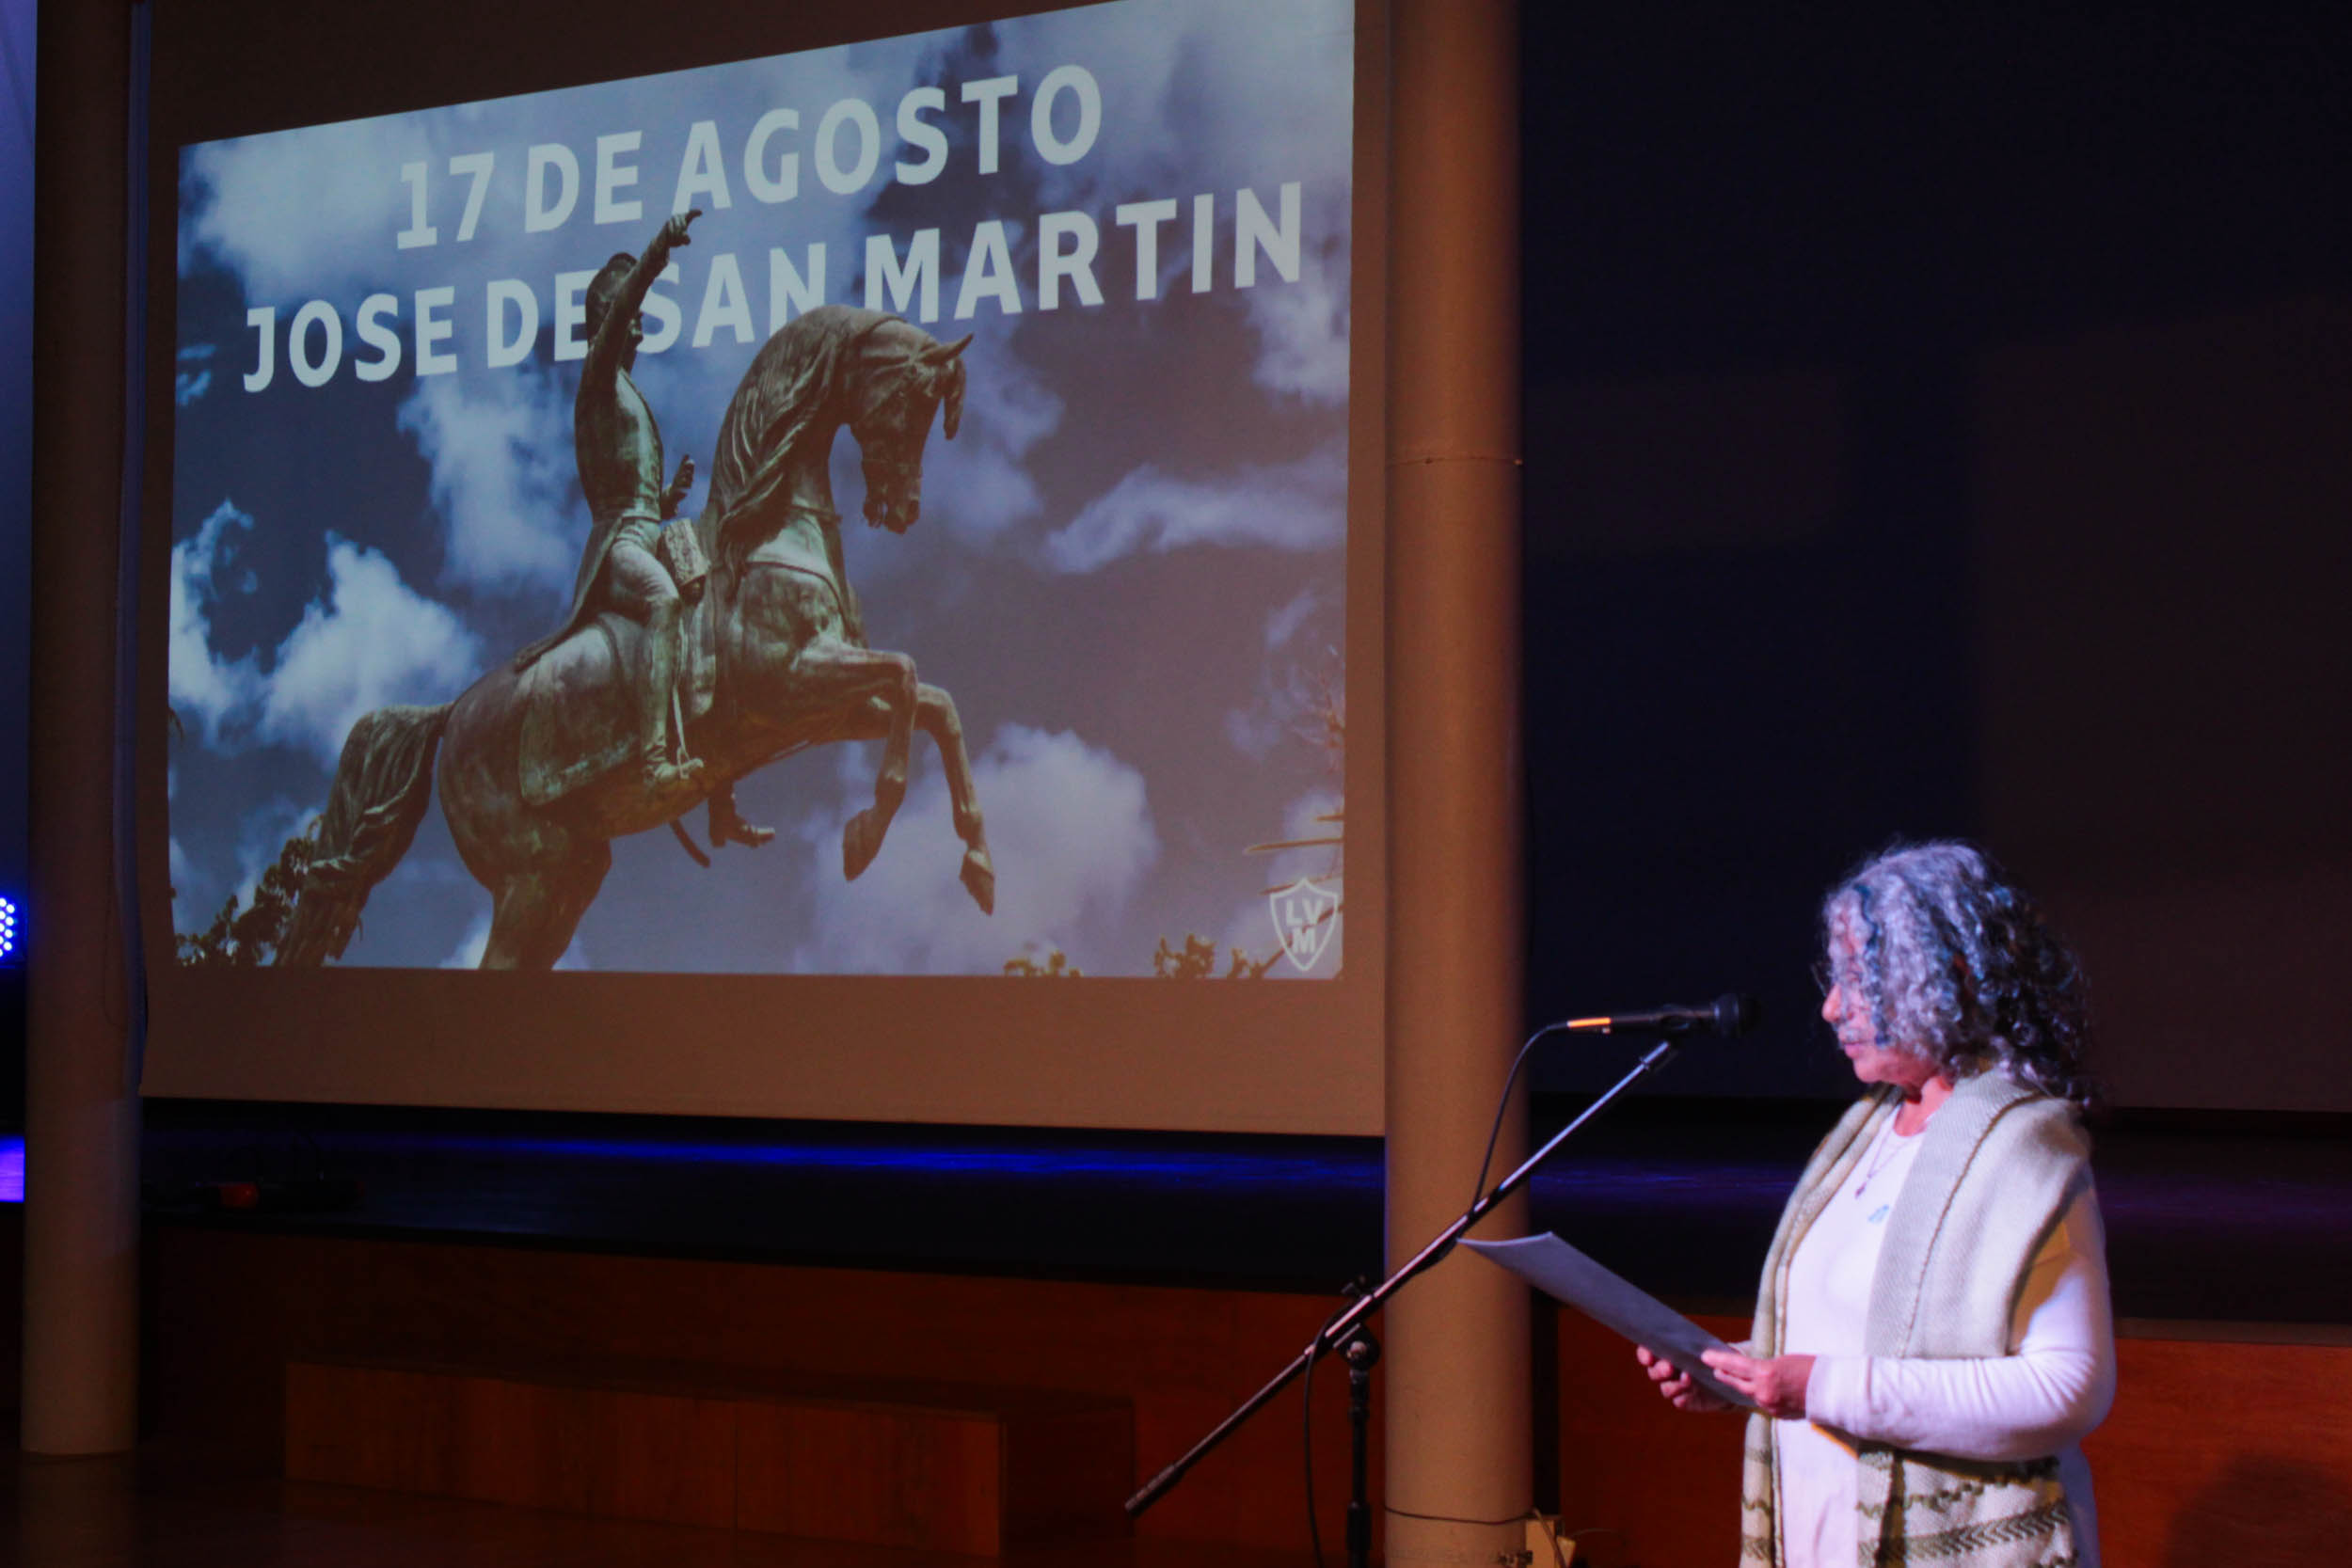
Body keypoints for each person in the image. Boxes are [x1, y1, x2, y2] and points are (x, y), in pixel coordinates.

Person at [1638, 842, 2114, 1567]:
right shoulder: (1865, 1134)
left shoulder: (2022, 1153)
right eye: (1837, 978)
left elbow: (2066, 1390)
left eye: (1863, 980)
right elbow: (1851, 1346)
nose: (1832, 1006)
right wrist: (1739, 1376)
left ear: (1949, 979)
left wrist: (1820, 1387)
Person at [515, 208, 707, 800]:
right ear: (610, 323)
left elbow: (632, 486)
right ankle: (653, 761)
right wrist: (656, 253)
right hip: (620, 545)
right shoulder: (597, 377)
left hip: (647, 530)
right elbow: (621, 507)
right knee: (666, 602)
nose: (642, 333)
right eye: (635, 320)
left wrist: (669, 497)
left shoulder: (628, 392)